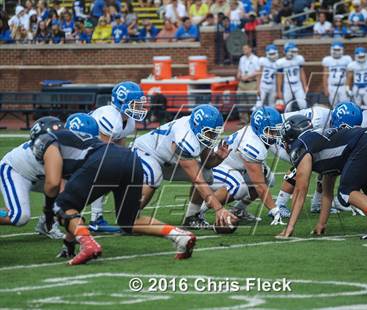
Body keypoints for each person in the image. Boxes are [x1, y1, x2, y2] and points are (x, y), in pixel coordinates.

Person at [29, 116, 196, 265]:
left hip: (103, 162)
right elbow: (74, 209)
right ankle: (179, 236)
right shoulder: (77, 139)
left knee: (61, 204)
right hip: (129, 159)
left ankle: (88, 245)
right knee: (128, 221)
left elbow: (52, 184)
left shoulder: (47, 139)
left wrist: (49, 208)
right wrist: (69, 241)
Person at [277, 114, 367, 239]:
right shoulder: (320, 143)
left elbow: (300, 190)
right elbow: (327, 192)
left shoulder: (301, 145)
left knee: (346, 192)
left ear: (291, 136)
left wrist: (290, 226)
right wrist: (321, 224)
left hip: (365, 142)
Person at [131, 104, 237, 229]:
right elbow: (197, 180)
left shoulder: (201, 132)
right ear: (197, 126)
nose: (212, 137)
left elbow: (207, 164)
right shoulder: (184, 136)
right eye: (209, 133)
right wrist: (219, 209)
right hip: (143, 152)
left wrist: (218, 157)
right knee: (155, 175)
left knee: (206, 174)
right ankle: (129, 217)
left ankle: (192, 217)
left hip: (167, 161)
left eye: (214, 133)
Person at [203, 106, 285, 224]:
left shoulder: (256, 134)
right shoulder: (251, 142)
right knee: (239, 187)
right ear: (259, 127)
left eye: (275, 131)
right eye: (270, 131)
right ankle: (197, 212)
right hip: (217, 165)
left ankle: (238, 210)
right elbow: (259, 185)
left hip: (234, 166)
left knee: (268, 178)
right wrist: (274, 210)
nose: (274, 134)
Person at [88, 81, 147, 233]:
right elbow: (103, 150)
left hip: (94, 149)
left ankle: (102, 218)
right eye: (135, 104)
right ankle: (95, 219)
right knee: (103, 175)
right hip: (81, 149)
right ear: (122, 102)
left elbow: (119, 143)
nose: (139, 107)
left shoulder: (129, 120)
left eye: (140, 104)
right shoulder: (110, 116)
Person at [0, 117, 64, 239]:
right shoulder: (44, 150)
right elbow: (53, 183)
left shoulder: (64, 148)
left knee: (70, 191)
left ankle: (46, 224)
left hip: (39, 176)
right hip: (16, 172)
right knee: (19, 217)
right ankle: (48, 221)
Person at [276, 42, 307, 112]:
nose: (293, 53)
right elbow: (279, 77)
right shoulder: (281, 62)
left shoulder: (299, 59)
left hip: (298, 84)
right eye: (291, 51)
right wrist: (279, 91)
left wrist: (305, 85)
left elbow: (302, 73)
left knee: (303, 104)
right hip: (287, 85)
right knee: (287, 106)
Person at [322, 41, 352, 107]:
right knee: (334, 106)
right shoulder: (327, 60)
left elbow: (349, 75)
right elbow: (325, 76)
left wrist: (348, 87)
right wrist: (325, 88)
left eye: (338, 50)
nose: (336, 52)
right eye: (335, 50)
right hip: (332, 86)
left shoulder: (347, 59)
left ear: (342, 50)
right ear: (331, 50)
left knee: (345, 105)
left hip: (343, 86)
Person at [237, 44, 260, 124]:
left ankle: (252, 120)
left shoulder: (255, 59)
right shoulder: (242, 58)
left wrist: (248, 76)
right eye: (243, 49)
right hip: (242, 83)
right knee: (241, 101)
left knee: (251, 102)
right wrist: (239, 74)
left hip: (251, 83)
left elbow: (258, 72)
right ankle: (243, 120)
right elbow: (240, 69)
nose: (244, 50)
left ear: (250, 49)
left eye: (246, 48)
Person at [256, 44, 279, 108]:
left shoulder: (278, 63)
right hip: (263, 84)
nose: (272, 56)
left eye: (274, 53)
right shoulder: (263, 61)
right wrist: (258, 88)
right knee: (258, 105)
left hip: (273, 85)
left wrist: (278, 90)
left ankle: (271, 118)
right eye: (271, 54)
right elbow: (259, 75)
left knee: (272, 105)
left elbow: (278, 77)